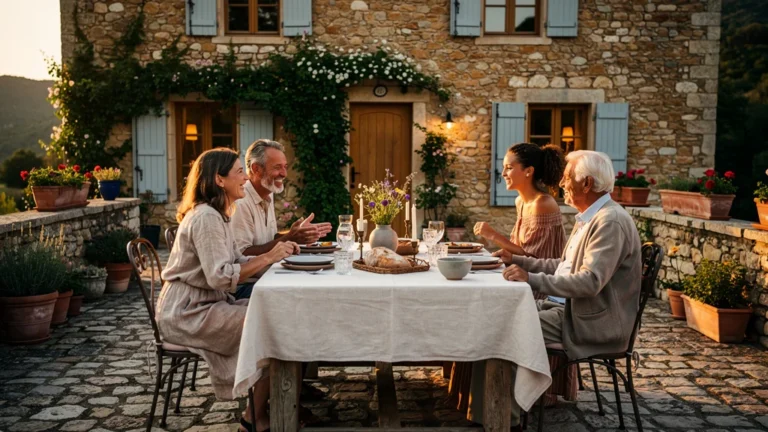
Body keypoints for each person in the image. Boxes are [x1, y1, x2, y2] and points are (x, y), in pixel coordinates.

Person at [492, 150, 643, 429]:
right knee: (497, 311)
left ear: (586, 184)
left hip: (590, 321)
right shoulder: (589, 217)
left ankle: (507, 416)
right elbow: (562, 266)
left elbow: (588, 282)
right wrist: (518, 260)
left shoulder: (609, 222)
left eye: (567, 178)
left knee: (503, 325)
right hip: (566, 309)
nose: (561, 184)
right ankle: (505, 407)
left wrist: (530, 279)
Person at [157, 148, 295, 432]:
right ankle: (252, 418)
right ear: (219, 180)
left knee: (280, 314)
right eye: (239, 172)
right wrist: (269, 257)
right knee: (276, 325)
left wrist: (277, 255)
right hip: (188, 313)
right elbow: (220, 276)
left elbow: (238, 261)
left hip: (208, 305)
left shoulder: (219, 215)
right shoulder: (206, 218)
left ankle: (277, 402)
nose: (245, 178)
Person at [458, 143, 574, 410]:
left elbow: (535, 260)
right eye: (503, 168)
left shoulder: (544, 204)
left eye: (509, 168)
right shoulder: (522, 201)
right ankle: (477, 391)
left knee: (488, 311)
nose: (504, 173)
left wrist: (492, 235)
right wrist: (499, 250)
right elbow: (518, 250)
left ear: (529, 171)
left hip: (541, 288)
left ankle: (507, 395)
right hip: (523, 278)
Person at [231, 139, 332, 299]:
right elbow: (242, 254)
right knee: (305, 294)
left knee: (320, 284)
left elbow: (268, 241)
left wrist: (295, 233)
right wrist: (290, 237)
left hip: (267, 277)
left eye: (285, 167)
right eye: (277, 167)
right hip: (246, 287)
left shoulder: (266, 193)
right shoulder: (241, 203)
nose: (284, 174)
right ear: (256, 169)